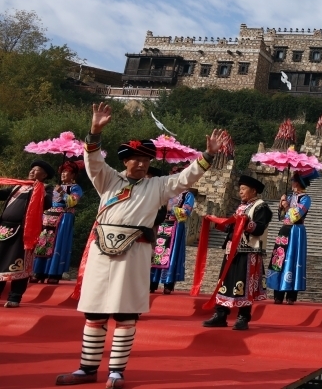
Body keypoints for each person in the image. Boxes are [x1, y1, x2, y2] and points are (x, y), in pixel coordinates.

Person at [54, 103, 227, 388]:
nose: (141, 164)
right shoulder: (108, 179)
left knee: (126, 313)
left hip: (134, 252)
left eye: (146, 159)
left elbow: (185, 178)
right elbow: (93, 161)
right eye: (135, 159)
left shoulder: (158, 186)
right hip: (101, 251)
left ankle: (116, 372)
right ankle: (87, 369)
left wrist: (207, 155)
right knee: (94, 311)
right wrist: (95, 131)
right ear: (125, 161)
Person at [202, 174, 272, 331]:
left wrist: (247, 222)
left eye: (243, 189)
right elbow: (231, 227)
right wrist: (216, 221)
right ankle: (220, 314)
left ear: (253, 191)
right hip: (232, 250)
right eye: (240, 189)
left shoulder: (261, 207)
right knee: (224, 282)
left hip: (248, 251)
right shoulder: (241, 207)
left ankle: (243, 317)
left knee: (244, 284)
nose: (240, 191)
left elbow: (259, 228)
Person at [0, 160, 54, 307]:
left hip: (24, 232)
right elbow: (2, 194)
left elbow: (48, 203)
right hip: (4, 229)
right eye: (31, 169)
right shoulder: (19, 186)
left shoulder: (46, 188)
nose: (31, 172)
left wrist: (39, 189)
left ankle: (14, 297)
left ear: (44, 175)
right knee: (1, 262)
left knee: (20, 264)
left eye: (36, 170)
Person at [33, 159, 84, 284]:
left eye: (66, 172)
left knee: (57, 244)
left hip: (63, 218)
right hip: (48, 217)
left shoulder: (75, 188)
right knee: (43, 243)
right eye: (62, 171)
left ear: (73, 175)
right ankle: (39, 272)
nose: (63, 174)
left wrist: (62, 192)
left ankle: (54, 273)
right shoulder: (53, 187)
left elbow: (73, 202)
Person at [267, 171, 313, 304]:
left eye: (293, 180)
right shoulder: (289, 197)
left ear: (298, 183)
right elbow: (281, 216)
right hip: (284, 230)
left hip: (296, 231)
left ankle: (291, 295)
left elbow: (296, 216)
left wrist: (287, 206)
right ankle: (278, 294)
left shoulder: (305, 199)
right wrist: (281, 203)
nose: (292, 182)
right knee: (279, 259)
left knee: (293, 260)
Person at [149, 175, 195, 295]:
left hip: (175, 226)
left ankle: (168, 283)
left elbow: (186, 212)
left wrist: (172, 209)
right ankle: (152, 282)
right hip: (161, 225)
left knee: (171, 255)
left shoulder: (187, 195)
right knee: (156, 253)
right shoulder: (167, 193)